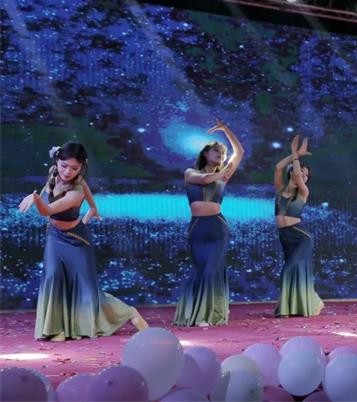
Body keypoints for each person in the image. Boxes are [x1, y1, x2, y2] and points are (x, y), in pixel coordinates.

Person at [18, 142, 148, 341]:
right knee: (53, 276)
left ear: (81, 167)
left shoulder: (75, 193)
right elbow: (79, 186)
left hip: (77, 239)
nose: (68, 172)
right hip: (54, 236)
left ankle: (129, 312)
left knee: (87, 288)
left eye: (74, 168)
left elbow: (47, 211)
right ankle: (55, 329)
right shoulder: (54, 172)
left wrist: (35, 199)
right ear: (57, 161)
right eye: (64, 166)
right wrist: (93, 208)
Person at [173, 121, 244, 326]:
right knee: (199, 269)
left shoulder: (222, 177)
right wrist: (222, 173)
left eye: (223, 153)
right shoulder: (190, 173)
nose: (221, 155)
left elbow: (239, 152)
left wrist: (226, 129)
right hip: (197, 227)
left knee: (212, 269)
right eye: (216, 151)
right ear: (205, 154)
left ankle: (209, 314)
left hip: (217, 227)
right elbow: (204, 180)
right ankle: (193, 314)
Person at [273, 135, 323, 317]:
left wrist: (295, 155)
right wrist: (294, 155)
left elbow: (298, 178)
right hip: (285, 237)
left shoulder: (303, 191)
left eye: (305, 175)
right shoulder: (280, 189)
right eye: (300, 171)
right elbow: (278, 167)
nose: (302, 175)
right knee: (289, 270)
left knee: (290, 270)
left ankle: (289, 308)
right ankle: (301, 304)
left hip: (301, 237)